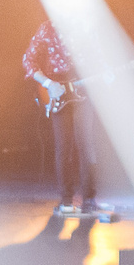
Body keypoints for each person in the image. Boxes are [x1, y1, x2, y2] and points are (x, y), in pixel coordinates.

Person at [23, 16, 96, 215]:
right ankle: (66, 199)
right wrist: (48, 84)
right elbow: (28, 60)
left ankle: (89, 199)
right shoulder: (47, 29)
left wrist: (106, 73)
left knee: (86, 144)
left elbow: (99, 58)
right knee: (64, 146)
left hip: (82, 89)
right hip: (58, 92)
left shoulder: (86, 25)